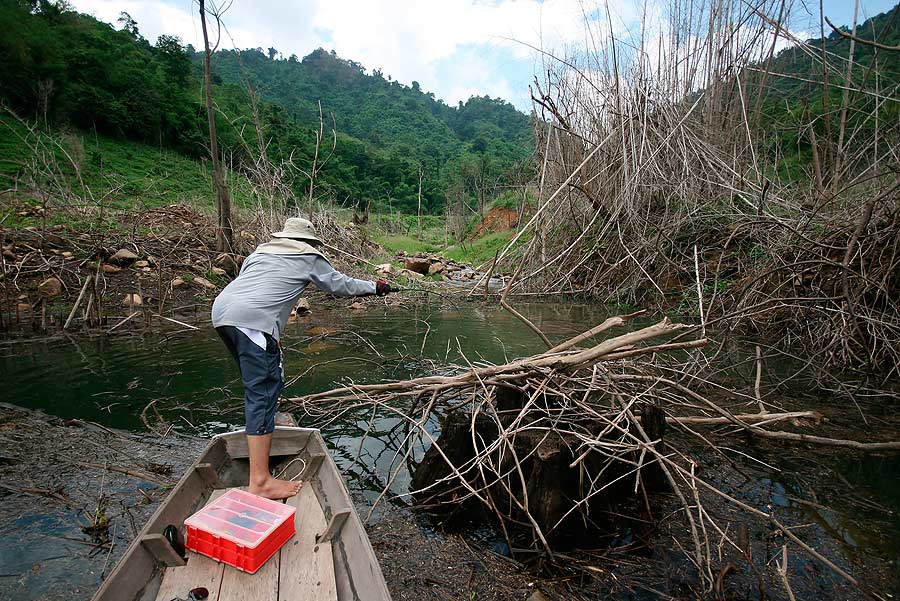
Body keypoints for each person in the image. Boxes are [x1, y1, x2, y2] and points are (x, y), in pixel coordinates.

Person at [212, 217, 392, 499]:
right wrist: (375, 286)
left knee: (269, 378)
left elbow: (261, 289)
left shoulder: (260, 252)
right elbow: (339, 285)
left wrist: (272, 335)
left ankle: (267, 425)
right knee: (262, 391)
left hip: (223, 313)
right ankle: (260, 480)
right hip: (252, 320)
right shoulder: (308, 256)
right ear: (308, 241)